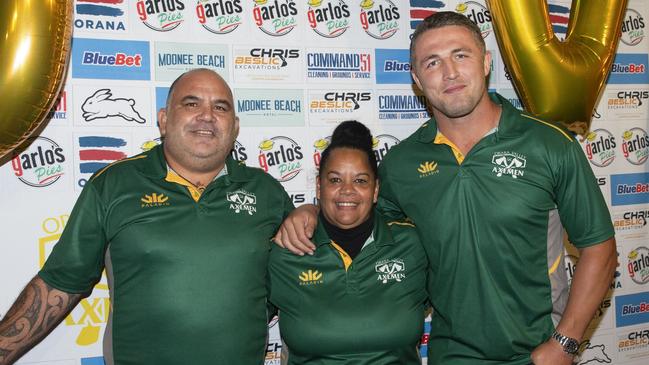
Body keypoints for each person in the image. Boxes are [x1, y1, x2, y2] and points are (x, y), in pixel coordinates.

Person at [274, 12, 616, 365]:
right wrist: (312, 210)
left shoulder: (550, 144)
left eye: (461, 55)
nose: (449, 72)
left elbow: (599, 245)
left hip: (537, 353)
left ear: (485, 63)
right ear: (416, 79)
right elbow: (361, 222)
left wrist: (566, 342)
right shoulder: (402, 163)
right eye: (432, 62)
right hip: (449, 355)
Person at [0, 68, 293, 365]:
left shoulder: (266, 191)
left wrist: (308, 212)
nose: (207, 115)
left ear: (235, 126)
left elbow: (310, 275)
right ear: (164, 120)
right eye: (191, 104)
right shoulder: (113, 185)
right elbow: (59, 284)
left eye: (220, 107)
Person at [268, 121, 428, 364]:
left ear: (376, 191)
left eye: (361, 181)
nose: (347, 191)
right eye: (335, 180)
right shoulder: (286, 250)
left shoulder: (412, 244)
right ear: (319, 187)